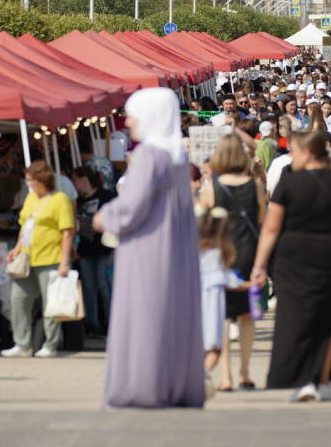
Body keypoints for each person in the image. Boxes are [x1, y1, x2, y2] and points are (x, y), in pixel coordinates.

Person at [94, 87, 205, 408]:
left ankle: (142, 384)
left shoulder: (149, 155)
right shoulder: (176, 156)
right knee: (171, 313)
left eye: (132, 114)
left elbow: (133, 206)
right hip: (176, 247)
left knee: (144, 312)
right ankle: (173, 383)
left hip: (146, 247)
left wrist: (104, 216)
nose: (127, 122)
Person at [252, 131, 331, 403]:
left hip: (293, 254)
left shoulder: (288, 184)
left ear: (308, 153)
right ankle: (324, 380)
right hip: (330, 253)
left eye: (295, 152)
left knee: (296, 318)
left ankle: (304, 380)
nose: (291, 157)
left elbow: (272, 227)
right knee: (327, 316)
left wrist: (260, 264)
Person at [199, 134, 265, 391]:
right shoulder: (255, 186)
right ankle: (245, 373)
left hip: (221, 255)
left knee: (223, 316)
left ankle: (225, 377)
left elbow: (205, 227)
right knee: (248, 314)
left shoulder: (210, 188)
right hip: (248, 251)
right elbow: (262, 220)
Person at [2, 160, 75, 358]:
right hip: (27, 257)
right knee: (18, 299)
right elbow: (25, 226)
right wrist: (17, 249)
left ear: (42, 180)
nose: (28, 185)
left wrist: (64, 261)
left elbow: (67, 232)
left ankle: (50, 344)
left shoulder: (60, 200)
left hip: (50, 257)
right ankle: (22, 343)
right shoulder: (31, 199)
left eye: (31, 181)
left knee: (51, 303)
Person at [198, 207, 244, 399]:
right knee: (214, 351)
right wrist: (249, 285)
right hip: (213, 307)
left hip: (194, 307)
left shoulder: (193, 251)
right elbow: (229, 281)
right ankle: (199, 378)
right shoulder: (220, 253)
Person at [70, 165, 116, 339]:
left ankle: (110, 324)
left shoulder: (106, 196)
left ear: (84, 179)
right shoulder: (79, 201)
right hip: (86, 250)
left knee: (105, 287)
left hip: (105, 248)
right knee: (89, 288)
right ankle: (93, 324)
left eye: (76, 180)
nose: (75, 184)